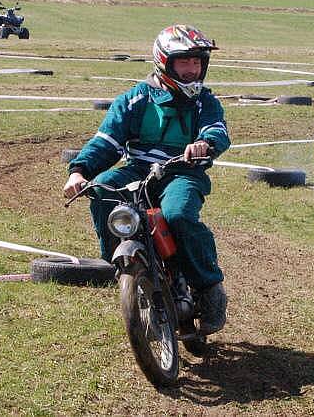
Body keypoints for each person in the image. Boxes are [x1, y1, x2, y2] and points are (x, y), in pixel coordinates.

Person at [63, 24, 230, 335]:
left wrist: (205, 144)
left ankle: (210, 289)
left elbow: (216, 129)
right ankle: (121, 266)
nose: (193, 70)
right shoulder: (135, 99)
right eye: (185, 62)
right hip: (138, 168)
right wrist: (79, 171)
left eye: (198, 62)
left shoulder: (204, 101)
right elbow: (107, 140)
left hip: (182, 171)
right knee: (104, 191)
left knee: (178, 214)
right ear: (164, 62)